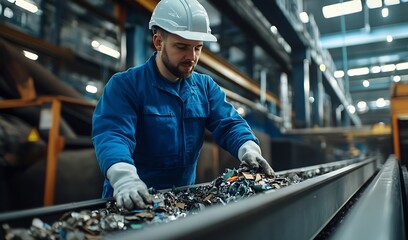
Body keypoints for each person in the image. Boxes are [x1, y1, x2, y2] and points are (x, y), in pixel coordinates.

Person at [92, 0, 275, 210]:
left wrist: (248, 149)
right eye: (182, 47)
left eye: (198, 47)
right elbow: (113, 135)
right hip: (132, 200)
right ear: (158, 42)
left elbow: (230, 124)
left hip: (181, 202)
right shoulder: (126, 86)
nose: (192, 57)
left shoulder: (205, 88)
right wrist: (124, 179)